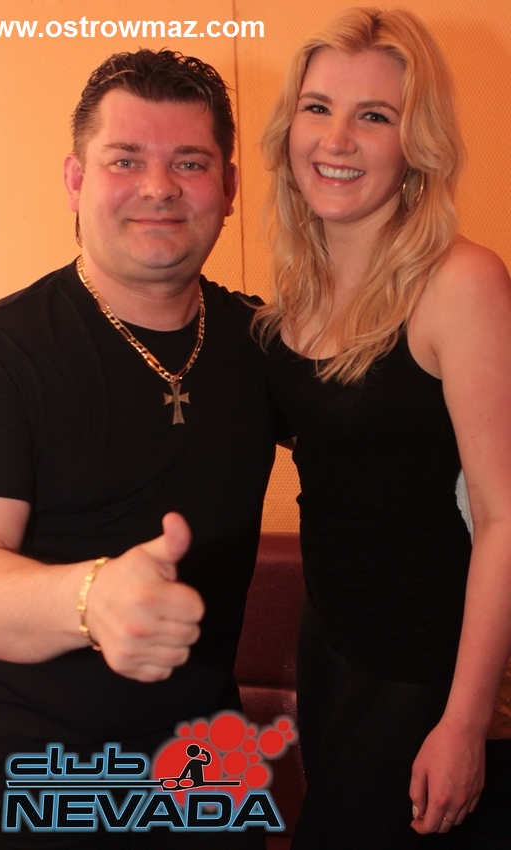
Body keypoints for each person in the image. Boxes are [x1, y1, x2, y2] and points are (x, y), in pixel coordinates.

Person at [0, 48, 280, 849]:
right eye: (125, 159)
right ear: (76, 179)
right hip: (43, 764)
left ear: (229, 188)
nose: (158, 186)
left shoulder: (264, 345)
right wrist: (91, 599)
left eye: (190, 162)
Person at [258, 7, 511, 848]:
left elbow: (505, 517)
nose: (336, 139)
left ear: (416, 143)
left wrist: (464, 723)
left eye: (374, 115)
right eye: (317, 107)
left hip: (423, 672)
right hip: (330, 647)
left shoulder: (461, 284)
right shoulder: (294, 295)